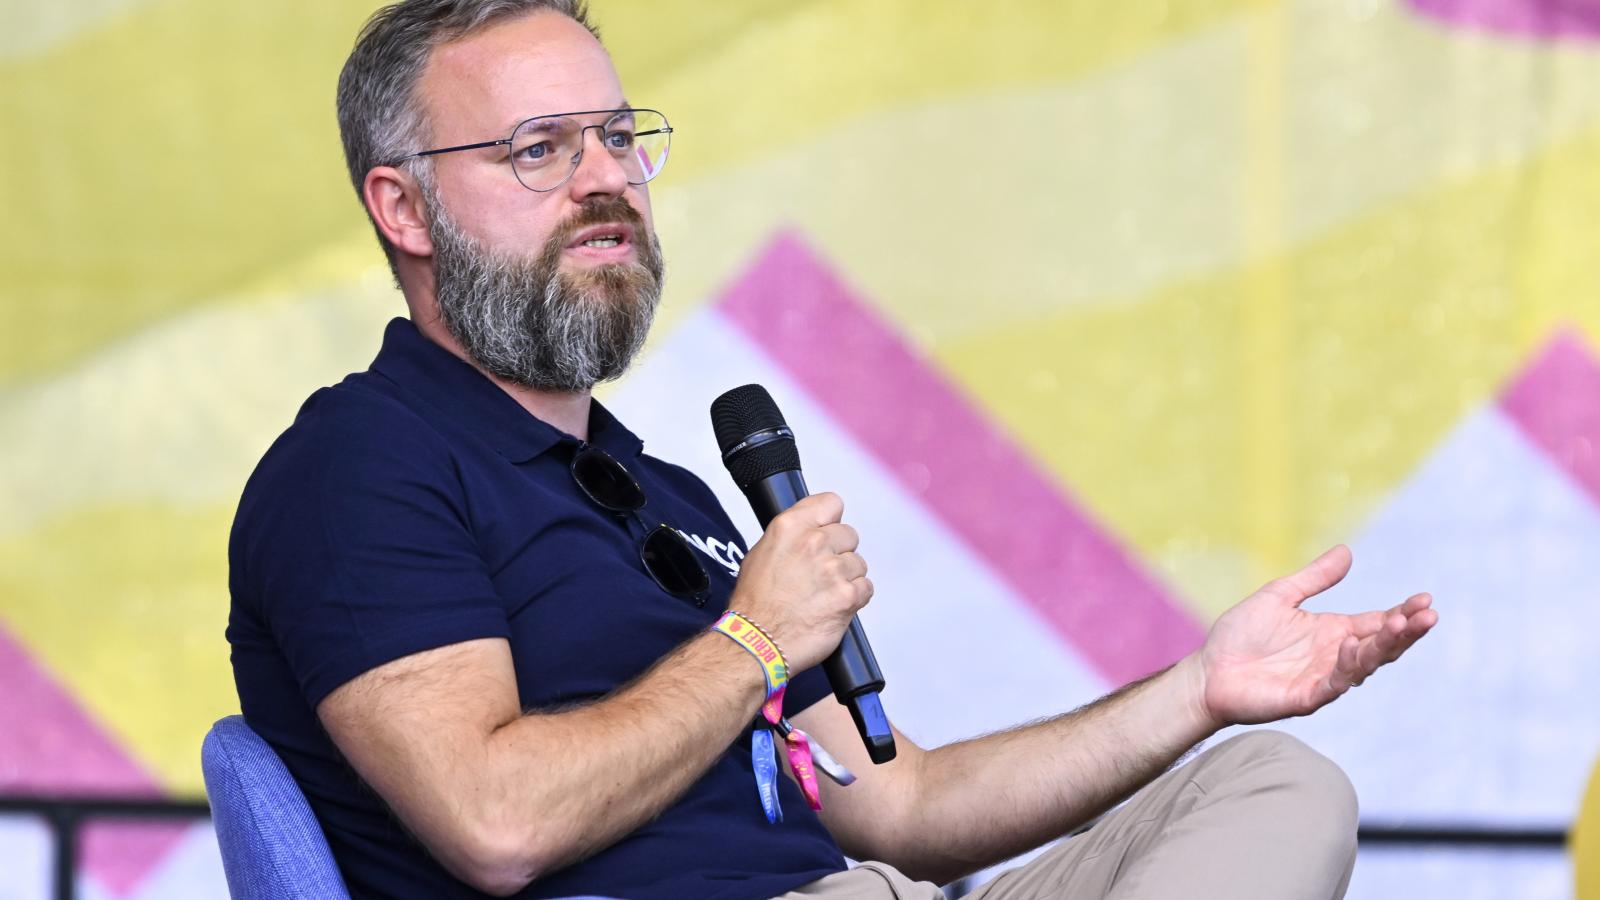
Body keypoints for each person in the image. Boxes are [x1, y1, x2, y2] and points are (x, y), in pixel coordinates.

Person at [225, 2, 1439, 898]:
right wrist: (753, 641)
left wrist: (1199, 690)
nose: (606, 181)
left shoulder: (670, 494)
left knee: (1274, 784)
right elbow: (495, 822)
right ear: (403, 207)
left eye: (617, 138)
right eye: (541, 148)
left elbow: (903, 804)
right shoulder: (359, 465)